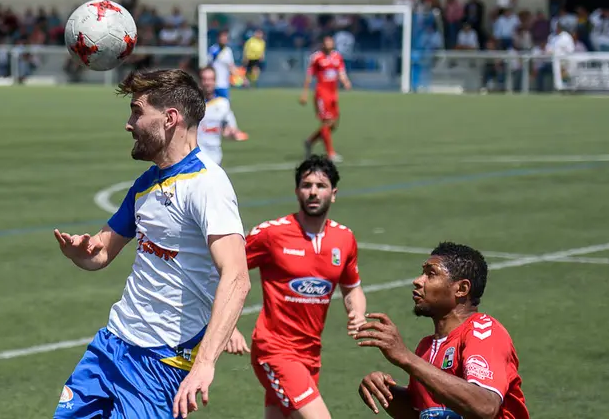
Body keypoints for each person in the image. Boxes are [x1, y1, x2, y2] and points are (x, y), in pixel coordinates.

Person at [52, 69, 251, 419]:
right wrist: (82, 253)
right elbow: (101, 252)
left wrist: (205, 363)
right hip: (112, 344)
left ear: (170, 118)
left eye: (137, 111)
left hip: (161, 363)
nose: (129, 123)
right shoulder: (146, 184)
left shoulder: (208, 185)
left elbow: (237, 277)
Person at [226, 155, 367, 419]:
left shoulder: (344, 239)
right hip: (275, 349)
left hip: (311, 353)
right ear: (297, 191)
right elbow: (226, 271)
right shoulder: (270, 234)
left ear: (333, 193)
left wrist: (357, 313)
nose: (313, 191)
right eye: (307, 185)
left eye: (321, 185)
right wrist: (228, 326)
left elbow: (352, 288)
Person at [355, 242, 529, 419]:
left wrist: (406, 358)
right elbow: (422, 414)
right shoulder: (427, 346)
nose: (418, 281)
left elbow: (485, 406)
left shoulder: (484, 332)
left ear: (461, 289)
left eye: (431, 274)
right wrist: (386, 392)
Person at [300, 36, 352, 163]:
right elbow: (309, 75)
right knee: (326, 121)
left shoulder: (337, 56)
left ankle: (310, 141)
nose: (329, 44)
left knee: (333, 125)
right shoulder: (317, 57)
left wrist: (346, 82)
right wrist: (305, 93)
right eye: (326, 42)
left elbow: (341, 71)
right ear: (323, 44)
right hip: (322, 94)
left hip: (333, 94)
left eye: (330, 42)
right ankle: (330, 153)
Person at [197, 66, 248, 166]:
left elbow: (228, 131)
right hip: (195, 160)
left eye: (211, 79)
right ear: (199, 81)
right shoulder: (191, 104)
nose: (207, 83)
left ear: (215, 82)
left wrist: (233, 134)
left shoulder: (223, 104)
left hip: (215, 159)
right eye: (204, 79)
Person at [208, 30, 239, 100]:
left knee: (225, 106)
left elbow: (231, 66)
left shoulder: (228, 51)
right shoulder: (213, 50)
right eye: (222, 37)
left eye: (225, 37)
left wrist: (240, 77)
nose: (224, 39)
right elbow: (208, 65)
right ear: (218, 38)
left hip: (224, 84)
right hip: (213, 84)